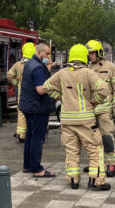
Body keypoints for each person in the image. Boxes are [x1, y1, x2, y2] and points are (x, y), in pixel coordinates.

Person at [38, 44, 110, 190]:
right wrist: (95, 101)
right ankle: (96, 180)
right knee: (95, 150)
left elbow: (46, 87)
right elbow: (104, 89)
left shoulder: (62, 73)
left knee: (71, 151)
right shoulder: (88, 73)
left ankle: (73, 181)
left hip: (67, 120)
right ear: (84, 56)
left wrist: (60, 97)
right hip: (86, 120)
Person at [86, 39, 115, 177]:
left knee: (106, 137)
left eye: (92, 53)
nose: (90, 55)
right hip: (90, 110)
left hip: (104, 109)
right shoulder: (87, 69)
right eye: (89, 53)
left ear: (99, 52)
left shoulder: (110, 67)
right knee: (92, 139)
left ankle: (111, 164)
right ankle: (96, 163)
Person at [19, 42, 56, 177]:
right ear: (39, 53)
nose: (48, 56)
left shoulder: (30, 64)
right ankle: (37, 169)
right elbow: (40, 90)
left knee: (29, 136)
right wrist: (54, 85)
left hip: (29, 107)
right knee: (38, 139)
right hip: (38, 108)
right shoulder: (38, 68)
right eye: (46, 54)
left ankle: (27, 166)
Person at [7, 41, 36, 143]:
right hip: (33, 94)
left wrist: (16, 83)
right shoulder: (35, 65)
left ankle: (21, 135)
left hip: (21, 94)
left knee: (22, 113)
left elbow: (9, 75)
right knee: (33, 113)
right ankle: (32, 133)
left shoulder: (18, 64)